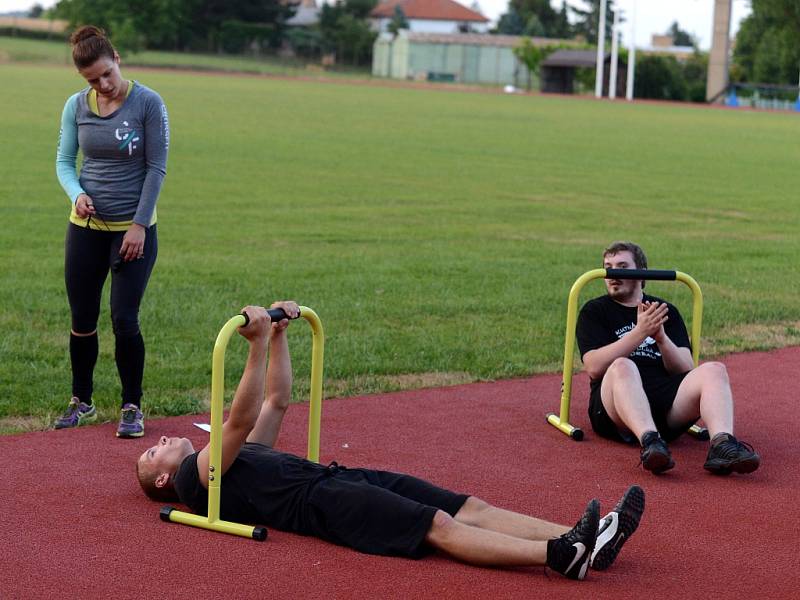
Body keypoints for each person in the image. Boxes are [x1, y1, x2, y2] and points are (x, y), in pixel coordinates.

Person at [137, 302, 645, 580]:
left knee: (469, 505)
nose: (159, 440)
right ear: (163, 475)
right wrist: (255, 346)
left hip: (339, 479)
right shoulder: (195, 481)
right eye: (152, 450)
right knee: (440, 526)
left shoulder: (234, 461)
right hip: (326, 504)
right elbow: (239, 420)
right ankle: (558, 555)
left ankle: (590, 535)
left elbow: (275, 404)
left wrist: (279, 335)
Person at [54, 26, 169, 438]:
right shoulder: (76, 106)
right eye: (92, 80)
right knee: (82, 318)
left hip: (133, 231)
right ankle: (81, 400)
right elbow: (65, 160)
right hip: (85, 228)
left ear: (117, 58)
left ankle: (132, 405)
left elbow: (156, 167)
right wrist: (76, 193)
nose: (103, 85)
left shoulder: (148, 103)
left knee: (124, 319)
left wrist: (139, 224)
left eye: (106, 74)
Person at [576, 241, 761, 475]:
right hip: (615, 406)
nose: (613, 274)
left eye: (622, 266)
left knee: (714, 369)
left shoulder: (665, 310)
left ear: (642, 273)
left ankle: (722, 444)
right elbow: (593, 367)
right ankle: (651, 442)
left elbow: (685, 368)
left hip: (665, 402)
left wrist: (662, 339)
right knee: (623, 365)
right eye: (608, 267)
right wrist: (639, 333)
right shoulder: (594, 311)